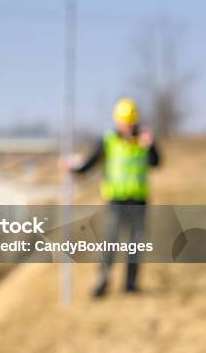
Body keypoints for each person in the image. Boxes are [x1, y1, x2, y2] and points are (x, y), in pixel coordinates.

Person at [64, 97, 160, 297]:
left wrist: (150, 145)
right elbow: (91, 162)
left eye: (129, 121)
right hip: (115, 200)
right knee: (110, 243)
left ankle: (131, 284)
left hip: (138, 200)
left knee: (135, 244)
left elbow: (156, 162)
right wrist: (74, 169)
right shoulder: (108, 140)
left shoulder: (143, 140)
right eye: (123, 121)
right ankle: (103, 282)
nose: (126, 125)